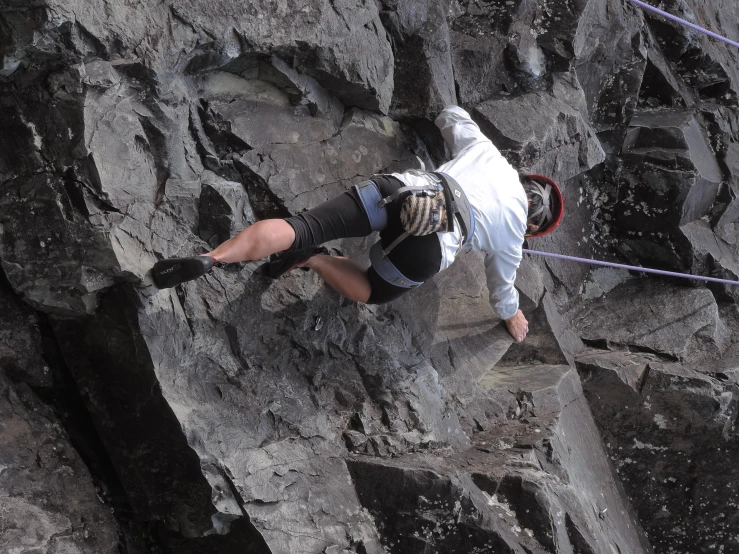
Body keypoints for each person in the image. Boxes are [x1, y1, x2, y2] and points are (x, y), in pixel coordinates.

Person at [151, 106, 563, 343]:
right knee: (371, 290)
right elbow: (502, 288)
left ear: (527, 178)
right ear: (531, 228)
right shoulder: (511, 238)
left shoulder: (490, 154)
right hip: (430, 246)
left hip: (404, 191)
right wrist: (511, 315)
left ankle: (213, 258)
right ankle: (312, 261)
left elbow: (452, 114)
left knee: (302, 225)